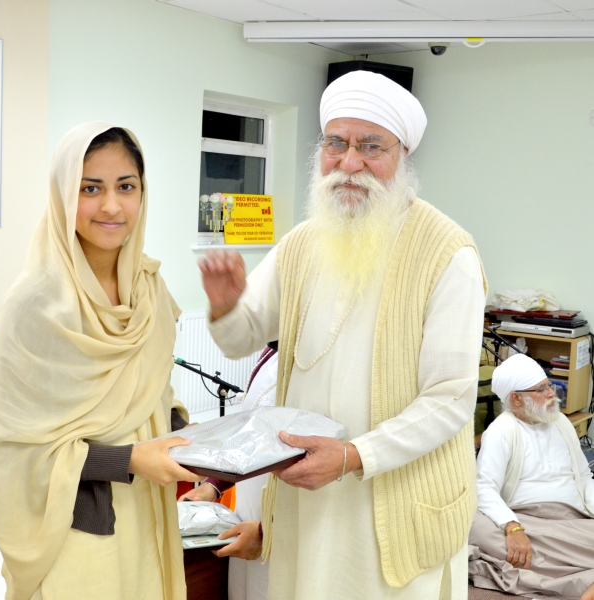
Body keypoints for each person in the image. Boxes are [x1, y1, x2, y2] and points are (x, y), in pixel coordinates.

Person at [200, 70, 487, 599]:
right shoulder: (303, 243)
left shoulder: (448, 253)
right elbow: (242, 338)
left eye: (371, 147)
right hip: (309, 500)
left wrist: (354, 456)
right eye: (336, 143)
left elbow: (449, 400)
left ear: (402, 155)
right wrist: (224, 304)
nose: (350, 163)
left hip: (393, 505)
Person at [0, 122, 202, 600]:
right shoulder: (36, 304)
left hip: (149, 508)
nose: (111, 206)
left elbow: (151, 396)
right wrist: (130, 459)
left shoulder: (149, 289)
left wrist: (195, 440)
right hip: (76, 524)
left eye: (126, 187)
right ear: (64, 195)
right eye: (90, 189)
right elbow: (16, 450)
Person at [468, 353, 594, 600]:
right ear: (516, 398)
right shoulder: (501, 431)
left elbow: (583, 475)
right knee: (474, 525)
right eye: (541, 389)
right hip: (526, 520)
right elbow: (484, 488)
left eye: (549, 385)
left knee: (528, 553)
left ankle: (569, 573)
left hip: (572, 518)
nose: (552, 393)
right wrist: (513, 527)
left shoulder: (561, 422)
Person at [179, 343, 278, 600]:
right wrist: (213, 484)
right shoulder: (272, 349)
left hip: (281, 533)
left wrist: (267, 532)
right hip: (245, 523)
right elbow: (251, 436)